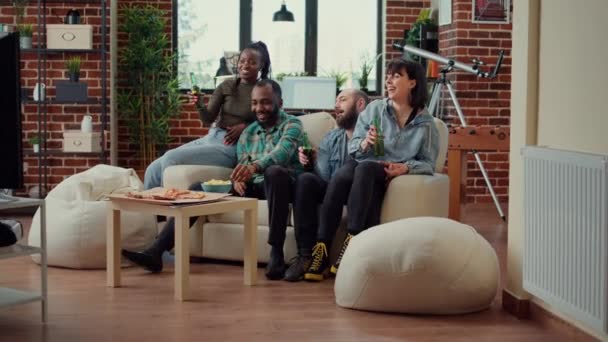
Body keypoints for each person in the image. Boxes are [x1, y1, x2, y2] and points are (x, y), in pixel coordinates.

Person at [121, 79, 305, 278]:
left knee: (274, 172)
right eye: (255, 103)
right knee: (197, 188)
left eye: (266, 102)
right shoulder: (248, 132)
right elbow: (242, 162)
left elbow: (282, 153)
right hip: (255, 185)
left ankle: (276, 253)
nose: (259, 108)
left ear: (281, 102)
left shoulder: (293, 124)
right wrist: (238, 179)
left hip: (283, 185)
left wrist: (252, 168)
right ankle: (156, 252)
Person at [304, 58, 440, 281]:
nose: (389, 80)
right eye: (388, 75)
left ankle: (352, 241)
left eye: (396, 76)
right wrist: (365, 142)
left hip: (383, 170)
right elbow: (354, 147)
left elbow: (429, 164)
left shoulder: (426, 124)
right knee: (340, 178)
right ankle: (322, 248)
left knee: (366, 169)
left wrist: (406, 167)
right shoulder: (375, 109)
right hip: (362, 162)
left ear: (413, 83)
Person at [143, 41, 272, 189]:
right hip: (212, 137)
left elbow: (272, 120)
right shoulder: (226, 86)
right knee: (153, 168)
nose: (245, 65)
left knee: (171, 157)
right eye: (242, 61)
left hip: (232, 147)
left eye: (252, 62)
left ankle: (167, 207)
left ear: (261, 65)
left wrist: (246, 127)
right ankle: (152, 210)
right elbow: (207, 119)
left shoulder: (265, 89)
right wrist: (199, 104)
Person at [281, 89, 369, 282]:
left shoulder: (372, 136)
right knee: (305, 180)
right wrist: (311, 162)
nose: (336, 106)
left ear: (360, 104)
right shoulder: (331, 138)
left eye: (343, 100)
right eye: (336, 101)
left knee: (346, 174)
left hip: (357, 193)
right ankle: (307, 255)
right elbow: (324, 177)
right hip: (332, 191)